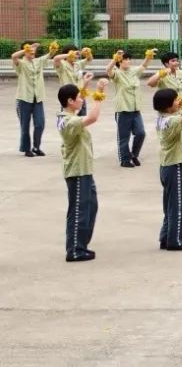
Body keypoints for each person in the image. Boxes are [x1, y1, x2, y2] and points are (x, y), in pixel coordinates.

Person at [56, 75, 101, 262]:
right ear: (70, 101)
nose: (83, 100)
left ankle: (81, 245)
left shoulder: (69, 115)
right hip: (77, 171)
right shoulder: (69, 121)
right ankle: (74, 249)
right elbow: (93, 117)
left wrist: (84, 84)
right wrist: (100, 93)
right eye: (79, 98)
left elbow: (78, 100)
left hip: (84, 169)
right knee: (79, 210)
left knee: (91, 206)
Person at [153, 87, 182, 251]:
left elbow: (177, 110)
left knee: (170, 205)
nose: (177, 102)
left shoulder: (162, 117)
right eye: (175, 101)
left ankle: (166, 237)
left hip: (166, 165)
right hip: (175, 165)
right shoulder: (172, 121)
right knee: (179, 205)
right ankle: (175, 240)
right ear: (167, 105)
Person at [148, 52, 182, 159]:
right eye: (173, 61)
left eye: (177, 60)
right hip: (169, 111)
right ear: (166, 64)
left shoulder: (180, 73)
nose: (176, 62)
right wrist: (160, 74)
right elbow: (150, 83)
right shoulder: (162, 75)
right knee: (173, 136)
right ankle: (173, 156)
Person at [106, 48, 152, 168]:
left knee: (141, 133)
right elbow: (108, 70)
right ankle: (124, 160)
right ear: (119, 62)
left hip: (136, 109)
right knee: (124, 137)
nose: (128, 61)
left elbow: (144, 65)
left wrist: (149, 55)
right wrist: (114, 59)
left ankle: (133, 155)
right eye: (125, 59)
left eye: (128, 59)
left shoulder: (133, 71)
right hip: (123, 109)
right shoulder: (117, 73)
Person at [12, 42, 49, 156]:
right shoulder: (21, 63)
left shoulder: (38, 61)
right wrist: (26, 49)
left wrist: (52, 48)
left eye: (34, 51)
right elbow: (14, 56)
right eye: (30, 51)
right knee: (25, 125)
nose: (33, 52)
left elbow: (50, 54)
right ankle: (27, 149)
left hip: (37, 98)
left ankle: (36, 147)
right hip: (24, 98)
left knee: (40, 123)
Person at [52, 45, 91, 117]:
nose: (76, 56)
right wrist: (70, 54)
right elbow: (55, 58)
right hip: (68, 97)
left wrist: (87, 52)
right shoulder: (62, 64)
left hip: (80, 96)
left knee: (82, 121)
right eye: (74, 54)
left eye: (76, 54)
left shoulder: (77, 64)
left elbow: (89, 59)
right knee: (68, 121)